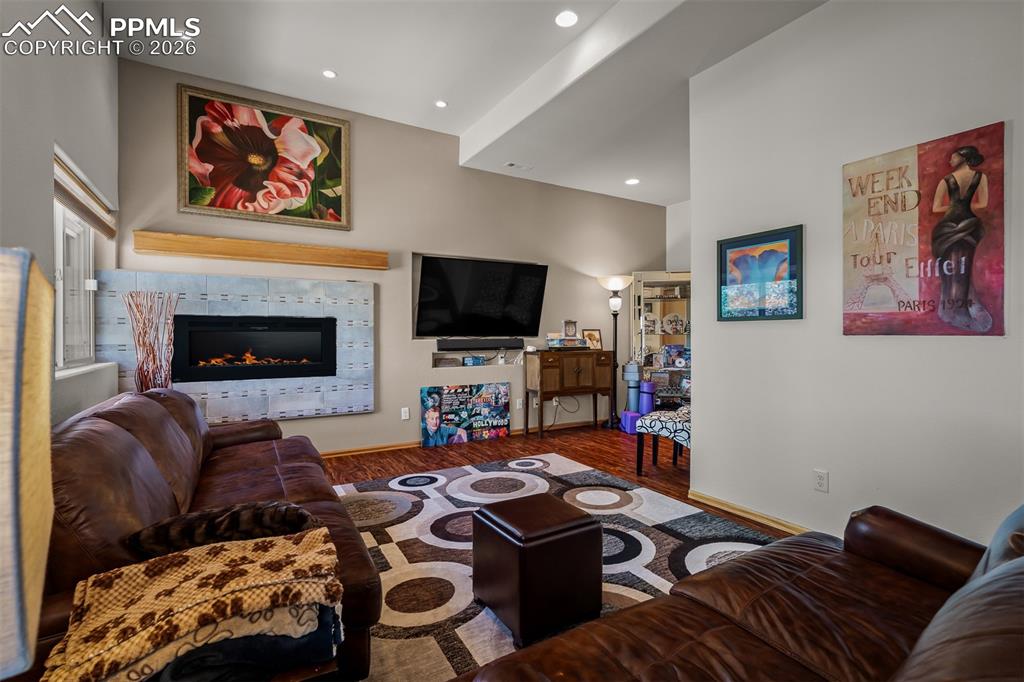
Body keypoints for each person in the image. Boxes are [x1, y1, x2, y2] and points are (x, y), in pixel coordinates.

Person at [931, 144, 991, 332]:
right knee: (963, 269)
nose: (950, 160)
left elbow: (936, 209)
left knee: (951, 270)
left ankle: (954, 310)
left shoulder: (946, 180)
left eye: (954, 157)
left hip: (948, 228)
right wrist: (967, 207)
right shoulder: (981, 177)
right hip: (970, 225)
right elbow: (983, 203)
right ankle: (959, 309)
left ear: (963, 158)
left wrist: (952, 208)